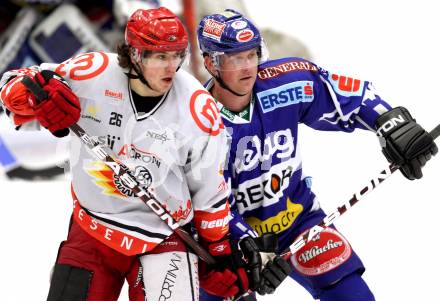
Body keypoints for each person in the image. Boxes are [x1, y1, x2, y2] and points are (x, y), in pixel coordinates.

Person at [0, 7, 250, 301]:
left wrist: (219, 251)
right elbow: (12, 85)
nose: (172, 67)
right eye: (160, 56)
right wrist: (34, 95)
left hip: (164, 237)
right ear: (134, 54)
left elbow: (210, 194)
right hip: (93, 228)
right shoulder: (91, 71)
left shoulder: (197, 108)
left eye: (177, 55)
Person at [196, 9, 438, 301]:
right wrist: (245, 244)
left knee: (354, 297)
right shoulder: (195, 122)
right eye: (236, 59)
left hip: (299, 223)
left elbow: (352, 96)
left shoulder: (284, 83)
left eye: (252, 55)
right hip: (229, 244)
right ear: (211, 63)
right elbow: (205, 203)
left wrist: (389, 123)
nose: (248, 67)